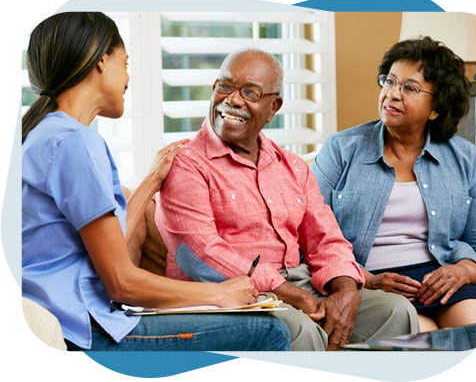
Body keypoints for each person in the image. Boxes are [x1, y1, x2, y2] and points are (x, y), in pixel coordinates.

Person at [22, 12, 290, 351]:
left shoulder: (42, 134)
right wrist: (218, 293)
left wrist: (151, 181)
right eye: (126, 62)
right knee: (268, 333)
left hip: (64, 319)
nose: (128, 79)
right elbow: (121, 283)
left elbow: (107, 250)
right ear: (102, 61)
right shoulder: (76, 143)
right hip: (86, 331)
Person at [155, 48, 419, 351]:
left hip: (299, 284)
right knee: (299, 328)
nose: (233, 100)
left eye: (250, 92)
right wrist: (291, 294)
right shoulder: (186, 163)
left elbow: (326, 240)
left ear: (273, 107)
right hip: (228, 296)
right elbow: (200, 254)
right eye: (225, 86)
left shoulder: (291, 166)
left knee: (395, 312)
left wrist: (345, 290)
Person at [312, 37, 476, 332]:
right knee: (421, 335)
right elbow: (308, 237)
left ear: (436, 108)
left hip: (443, 281)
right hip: (371, 282)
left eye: (409, 88)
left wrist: (464, 271)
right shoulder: (341, 149)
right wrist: (364, 278)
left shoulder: (465, 157)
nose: (391, 94)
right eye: (389, 82)